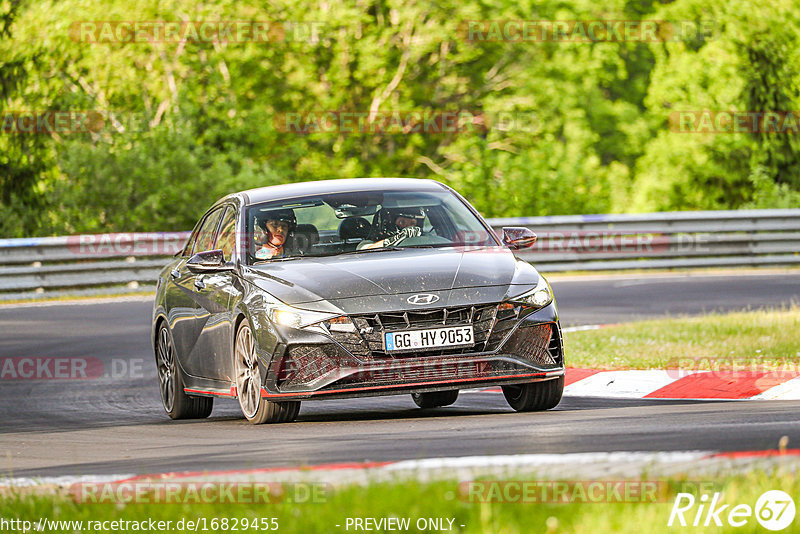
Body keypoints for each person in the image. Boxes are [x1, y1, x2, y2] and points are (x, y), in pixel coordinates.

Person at [359, 207, 425, 249]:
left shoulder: (425, 242)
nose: (408, 227)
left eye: (412, 223)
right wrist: (399, 238)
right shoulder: (365, 244)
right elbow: (368, 251)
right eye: (402, 222)